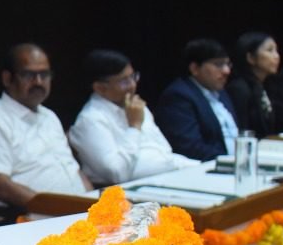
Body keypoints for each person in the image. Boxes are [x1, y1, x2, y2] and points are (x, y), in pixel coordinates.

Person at [0, 43, 89, 216]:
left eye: (44, 74)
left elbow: (73, 168)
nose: (38, 82)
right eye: (29, 75)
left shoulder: (49, 116)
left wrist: (92, 201)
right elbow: (0, 187)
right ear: (7, 79)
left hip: (76, 213)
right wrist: (60, 209)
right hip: (33, 219)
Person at [68, 49, 197, 186]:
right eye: (124, 82)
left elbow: (164, 152)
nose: (133, 85)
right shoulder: (90, 120)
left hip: (167, 174)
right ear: (100, 88)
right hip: (123, 190)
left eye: (133, 77)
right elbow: (117, 173)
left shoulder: (135, 105)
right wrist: (134, 127)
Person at [152, 38, 239, 160]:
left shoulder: (221, 92)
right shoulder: (178, 96)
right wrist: (229, 161)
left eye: (228, 64)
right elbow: (190, 148)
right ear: (195, 68)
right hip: (207, 166)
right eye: (218, 64)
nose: (227, 71)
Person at [226, 32, 283, 136]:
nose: (276, 56)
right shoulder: (239, 89)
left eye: (276, 51)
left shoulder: (266, 86)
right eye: (270, 50)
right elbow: (242, 129)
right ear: (251, 58)